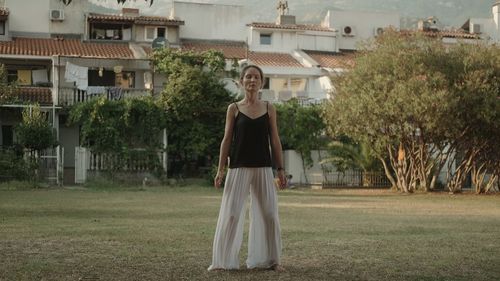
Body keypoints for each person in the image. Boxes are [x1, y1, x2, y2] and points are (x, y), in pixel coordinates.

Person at [208, 65, 287, 271]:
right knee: (232, 214)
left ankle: (272, 261)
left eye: (256, 77)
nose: (252, 80)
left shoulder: (269, 108)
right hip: (238, 167)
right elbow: (226, 140)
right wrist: (220, 169)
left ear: (261, 82)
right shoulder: (233, 108)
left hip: (263, 167)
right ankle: (222, 261)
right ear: (242, 81)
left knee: (269, 213)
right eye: (248, 77)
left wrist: (280, 169)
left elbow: (275, 140)